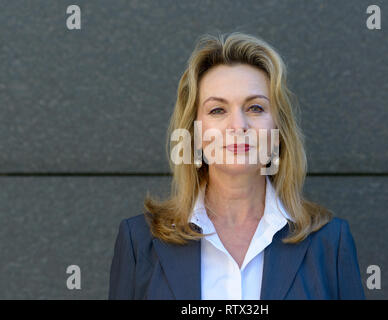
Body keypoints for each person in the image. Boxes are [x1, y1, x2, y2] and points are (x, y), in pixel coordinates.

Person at [108, 32, 365, 300]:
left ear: (278, 129)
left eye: (255, 108)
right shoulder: (139, 241)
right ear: (194, 132)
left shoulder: (329, 242)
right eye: (217, 110)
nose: (238, 125)